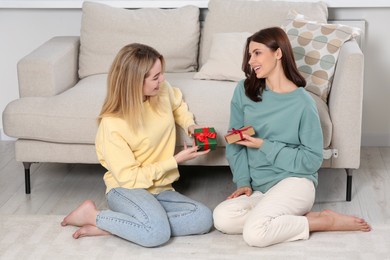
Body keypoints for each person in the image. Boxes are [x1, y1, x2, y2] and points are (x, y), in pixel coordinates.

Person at [213, 27, 371, 248]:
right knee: (222, 217)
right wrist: (243, 182)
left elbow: (311, 160)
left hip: (295, 183)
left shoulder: (303, 103)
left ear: (278, 53)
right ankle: (292, 218)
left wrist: (264, 145)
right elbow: (234, 142)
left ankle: (323, 221)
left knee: (255, 234)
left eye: (257, 53)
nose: (251, 61)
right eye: (250, 55)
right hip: (260, 189)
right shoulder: (244, 90)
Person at [61, 43, 213, 247]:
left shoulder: (161, 91)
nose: (163, 80)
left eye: (161, 73)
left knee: (203, 218)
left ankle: (124, 227)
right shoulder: (113, 123)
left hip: (161, 188)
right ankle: (94, 216)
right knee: (157, 234)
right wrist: (174, 161)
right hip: (126, 189)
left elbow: (177, 105)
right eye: (155, 77)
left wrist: (191, 126)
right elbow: (129, 178)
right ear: (135, 82)